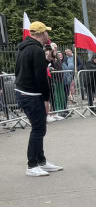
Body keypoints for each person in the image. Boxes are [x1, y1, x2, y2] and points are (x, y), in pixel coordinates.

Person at [14, 20, 63, 177]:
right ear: (42, 33)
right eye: (46, 32)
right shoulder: (35, 50)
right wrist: (46, 99)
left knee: (39, 128)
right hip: (32, 95)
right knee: (38, 129)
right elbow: (40, 77)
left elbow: (23, 70)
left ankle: (41, 161)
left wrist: (47, 60)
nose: (48, 34)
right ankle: (32, 164)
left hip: (24, 92)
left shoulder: (24, 48)